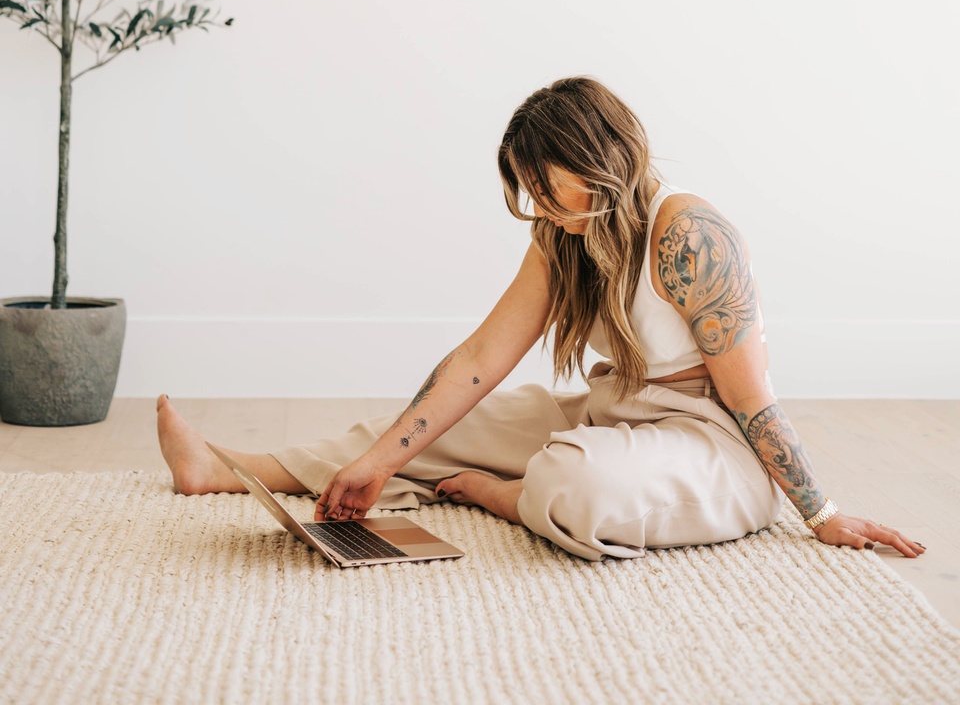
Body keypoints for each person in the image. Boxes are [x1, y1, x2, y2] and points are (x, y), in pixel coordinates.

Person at [157, 76, 924, 563]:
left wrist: (821, 512)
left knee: (572, 477)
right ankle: (222, 470)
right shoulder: (564, 234)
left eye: (542, 181)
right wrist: (382, 463)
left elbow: (751, 397)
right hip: (615, 411)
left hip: (712, 446)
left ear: (598, 158)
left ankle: (505, 493)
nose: (537, 202)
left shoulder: (689, 234)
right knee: (424, 429)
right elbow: (478, 361)